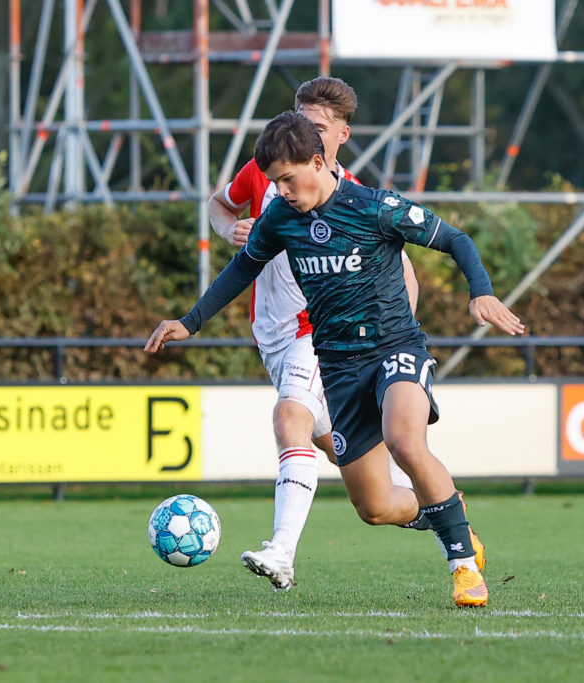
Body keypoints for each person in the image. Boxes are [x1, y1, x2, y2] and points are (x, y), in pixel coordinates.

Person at [147, 112, 525, 608]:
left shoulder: (374, 207)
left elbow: (456, 239)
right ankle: (447, 513)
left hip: (394, 348)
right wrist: (190, 321)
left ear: (318, 161)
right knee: (375, 506)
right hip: (340, 367)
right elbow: (242, 269)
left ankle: (463, 567)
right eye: (275, 182)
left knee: (404, 440)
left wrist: (481, 292)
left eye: (288, 179)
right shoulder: (281, 219)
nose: (282, 191)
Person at [207, 76, 420, 592]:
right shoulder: (269, 170)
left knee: (289, 420)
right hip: (272, 339)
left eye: (319, 127)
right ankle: (442, 513)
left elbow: (404, 273)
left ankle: (281, 552)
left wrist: (390, 343)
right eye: (301, 121)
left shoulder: (355, 198)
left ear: (341, 136)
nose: (306, 134)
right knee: (356, 472)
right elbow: (219, 203)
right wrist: (230, 229)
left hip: (321, 336)